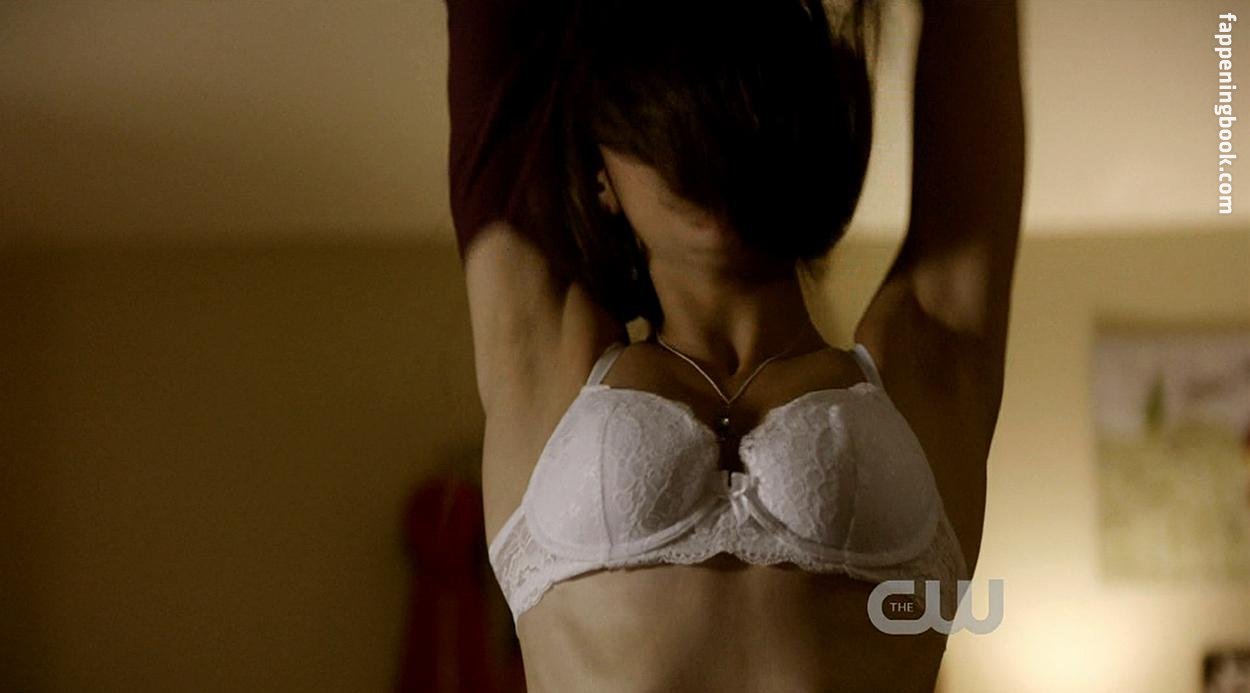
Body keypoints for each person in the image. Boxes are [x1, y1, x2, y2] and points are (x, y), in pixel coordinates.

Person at [443, 0, 1024, 689]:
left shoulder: (927, 360)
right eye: (665, 124)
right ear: (601, 176)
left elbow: (976, 29)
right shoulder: (545, 358)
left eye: (732, 120)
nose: (702, 157)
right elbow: (491, 40)